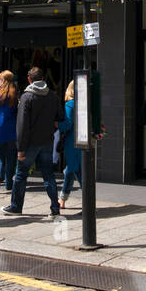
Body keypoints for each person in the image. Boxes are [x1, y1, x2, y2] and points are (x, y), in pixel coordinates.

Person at [2, 66, 64, 220]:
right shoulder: (53, 96)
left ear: (29, 79)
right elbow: (60, 117)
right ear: (43, 78)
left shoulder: (26, 97)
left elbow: (21, 125)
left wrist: (20, 148)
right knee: (48, 175)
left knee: (21, 174)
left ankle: (16, 206)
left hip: (30, 144)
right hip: (47, 141)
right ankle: (55, 208)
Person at [58, 82, 82, 211]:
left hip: (72, 141)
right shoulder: (84, 103)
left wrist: (57, 124)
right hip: (82, 139)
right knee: (71, 170)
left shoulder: (70, 104)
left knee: (75, 170)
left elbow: (67, 124)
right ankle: (62, 198)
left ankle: (89, 202)